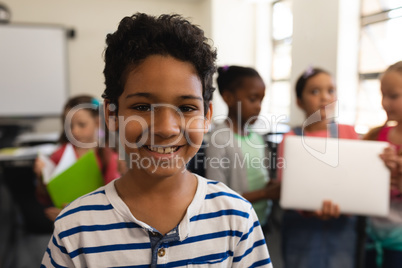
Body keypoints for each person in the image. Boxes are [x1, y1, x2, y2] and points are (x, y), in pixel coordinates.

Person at [41, 13, 272, 267]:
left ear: (206, 116)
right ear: (112, 114)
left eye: (185, 108)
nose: (166, 128)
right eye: (142, 107)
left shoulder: (237, 218)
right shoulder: (75, 229)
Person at [277, 67, 359, 268]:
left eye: (330, 90)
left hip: (343, 226)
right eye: (314, 91)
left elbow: (358, 179)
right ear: (299, 101)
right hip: (301, 228)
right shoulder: (290, 138)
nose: (324, 97)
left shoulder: (349, 132)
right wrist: (307, 208)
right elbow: (285, 186)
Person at [204, 65, 280, 231]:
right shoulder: (219, 140)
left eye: (261, 100)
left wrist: (269, 186)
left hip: (260, 220)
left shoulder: (256, 137)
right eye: (253, 99)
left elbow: (260, 175)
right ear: (229, 98)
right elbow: (218, 196)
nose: (258, 106)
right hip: (237, 225)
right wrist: (265, 194)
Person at [34, 95, 120, 221]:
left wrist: (71, 216)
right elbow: (45, 197)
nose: (74, 131)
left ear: (98, 122)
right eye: (69, 125)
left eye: (82, 124)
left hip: (99, 224)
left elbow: (114, 202)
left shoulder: (108, 156)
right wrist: (40, 176)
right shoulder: (58, 155)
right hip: (67, 228)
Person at [363, 61, 402, 268]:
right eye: (383, 95)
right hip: (372, 237)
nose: (385, 103)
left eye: (393, 96)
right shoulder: (375, 137)